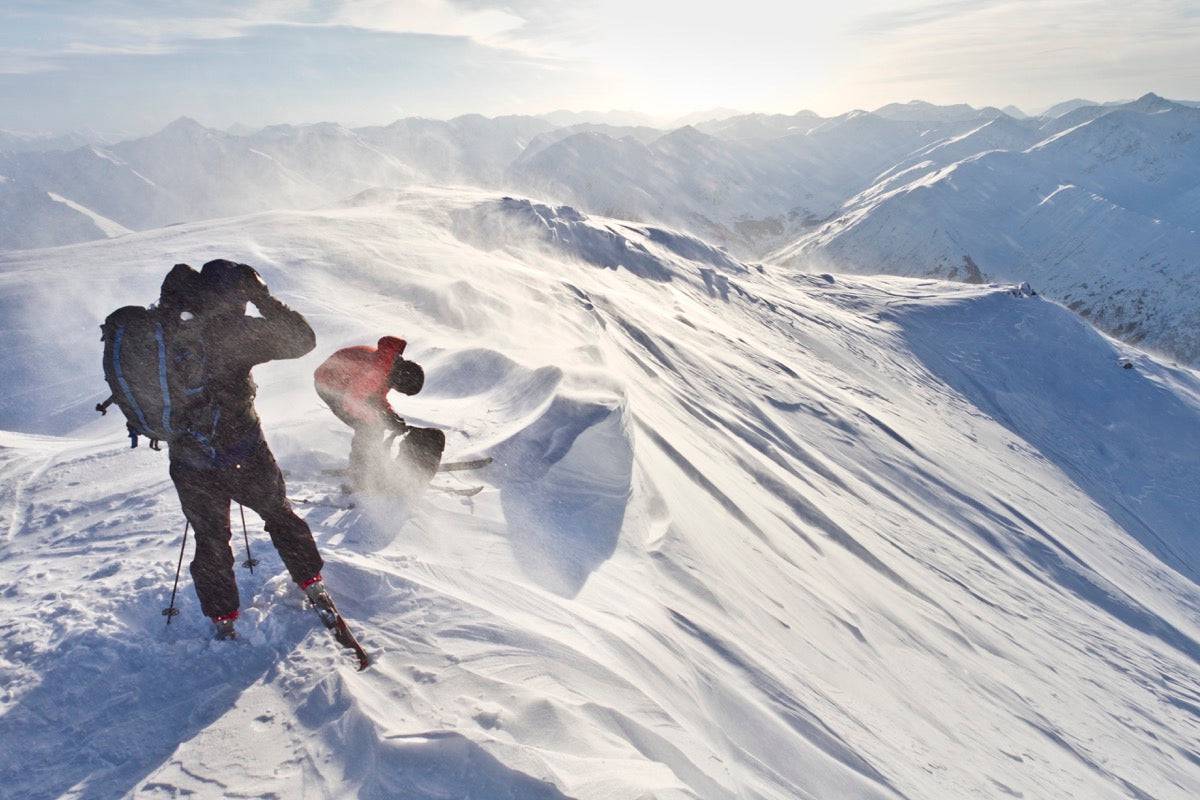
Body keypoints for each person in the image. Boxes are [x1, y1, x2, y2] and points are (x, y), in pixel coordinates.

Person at [164, 259, 334, 640]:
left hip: (189, 461)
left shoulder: (165, 332)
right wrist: (264, 298)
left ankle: (223, 619)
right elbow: (302, 340)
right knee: (278, 514)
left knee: (210, 538)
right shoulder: (234, 332)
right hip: (243, 453)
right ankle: (310, 581)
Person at [313, 336, 444, 492]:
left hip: (346, 384)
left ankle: (370, 465)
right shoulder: (377, 372)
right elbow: (352, 401)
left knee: (374, 423)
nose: (396, 389)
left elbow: (375, 396)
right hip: (329, 384)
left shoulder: (388, 366)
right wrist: (382, 419)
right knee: (368, 427)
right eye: (400, 389)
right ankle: (360, 476)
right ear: (402, 380)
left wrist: (391, 415)